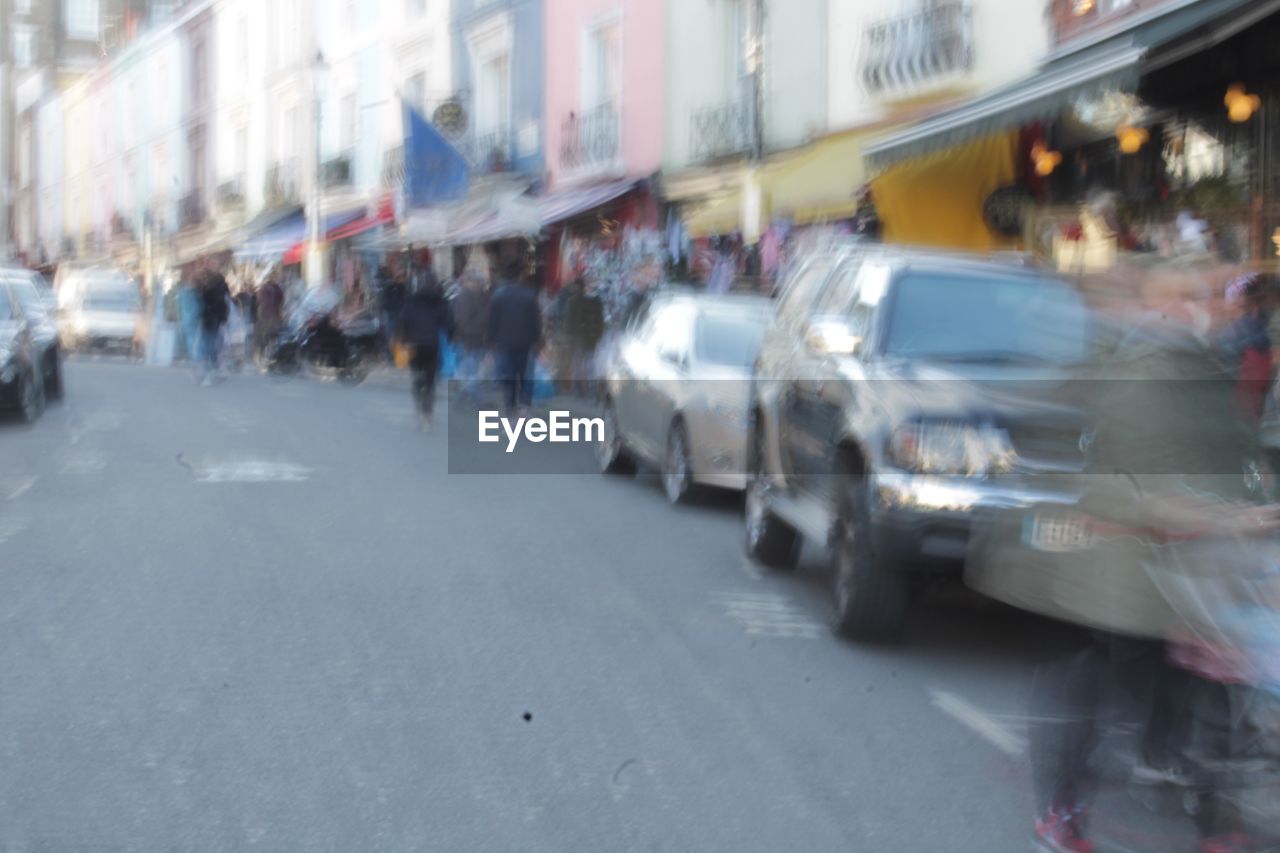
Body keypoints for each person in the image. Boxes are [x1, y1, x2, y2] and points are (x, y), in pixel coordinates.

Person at [1028, 262, 1274, 853]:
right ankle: (1062, 810)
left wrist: (1257, 498)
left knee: (1211, 682)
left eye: (1215, 295)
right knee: (1110, 678)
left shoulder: (1206, 366)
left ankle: (1215, 820)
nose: (1213, 306)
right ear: (1159, 304)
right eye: (1194, 296)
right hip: (1122, 561)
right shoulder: (1131, 372)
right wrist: (1177, 509)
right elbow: (1097, 471)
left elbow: (1239, 447)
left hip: (1196, 561)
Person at [397, 271, 454, 431]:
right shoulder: (440, 301)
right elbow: (449, 322)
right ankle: (427, 414)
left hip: (413, 345)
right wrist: (450, 336)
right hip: (432, 345)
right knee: (430, 380)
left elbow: (403, 320)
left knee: (416, 378)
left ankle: (419, 408)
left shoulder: (412, 300)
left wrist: (402, 339)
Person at [487, 256, 542, 416]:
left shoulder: (498, 296)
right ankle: (524, 406)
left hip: (504, 344)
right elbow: (535, 321)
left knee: (509, 377)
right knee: (525, 376)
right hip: (525, 343)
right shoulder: (529, 295)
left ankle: (510, 406)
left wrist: (492, 342)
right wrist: (537, 341)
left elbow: (492, 322)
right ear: (520, 276)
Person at [558, 276, 605, 397]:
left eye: (593, 283)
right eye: (590, 283)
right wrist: (569, 337)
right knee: (578, 364)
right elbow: (568, 321)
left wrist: (599, 335)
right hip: (578, 338)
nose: (592, 286)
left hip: (591, 338)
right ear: (585, 286)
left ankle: (589, 389)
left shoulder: (597, 301)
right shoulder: (574, 301)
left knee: (589, 364)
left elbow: (600, 320)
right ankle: (577, 388)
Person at [451, 269, 490, 407]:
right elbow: (461, 322)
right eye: (480, 282)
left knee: (470, 372)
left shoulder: (480, 296)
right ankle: (478, 401)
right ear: (471, 282)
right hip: (468, 341)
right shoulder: (464, 297)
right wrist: (479, 334)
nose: (482, 285)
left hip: (476, 340)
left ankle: (463, 398)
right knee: (472, 372)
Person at [197, 262, 231, 384]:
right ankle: (214, 367)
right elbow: (226, 303)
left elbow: (202, 302)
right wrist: (224, 318)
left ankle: (207, 368)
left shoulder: (206, 288)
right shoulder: (222, 289)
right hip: (217, 319)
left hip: (208, 318)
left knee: (206, 342)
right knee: (215, 342)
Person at [255, 274, 285, 362]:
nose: (276, 279)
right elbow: (262, 302)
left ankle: (268, 355)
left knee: (271, 336)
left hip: (272, 316)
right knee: (267, 337)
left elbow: (281, 301)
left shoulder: (276, 289)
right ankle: (264, 355)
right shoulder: (268, 289)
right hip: (268, 316)